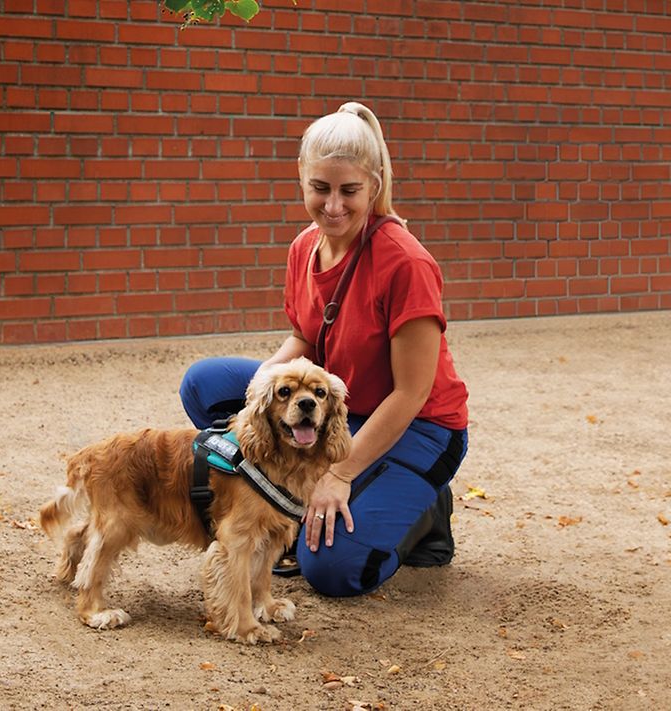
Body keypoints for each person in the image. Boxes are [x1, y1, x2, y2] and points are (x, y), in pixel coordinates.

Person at [178, 102, 469, 597]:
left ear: (374, 184)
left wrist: (340, 473)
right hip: (335, 407)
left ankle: (425, 514)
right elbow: (308, 338)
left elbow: (412, 393)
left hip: (419, 427)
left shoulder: (407, 263)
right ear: (301, 176)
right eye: (320, 188)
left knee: (332, 568)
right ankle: (287, 493)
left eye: (349, 191)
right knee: (205, 385)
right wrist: (261, 391)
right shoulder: (304, 247)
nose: (333, 206)